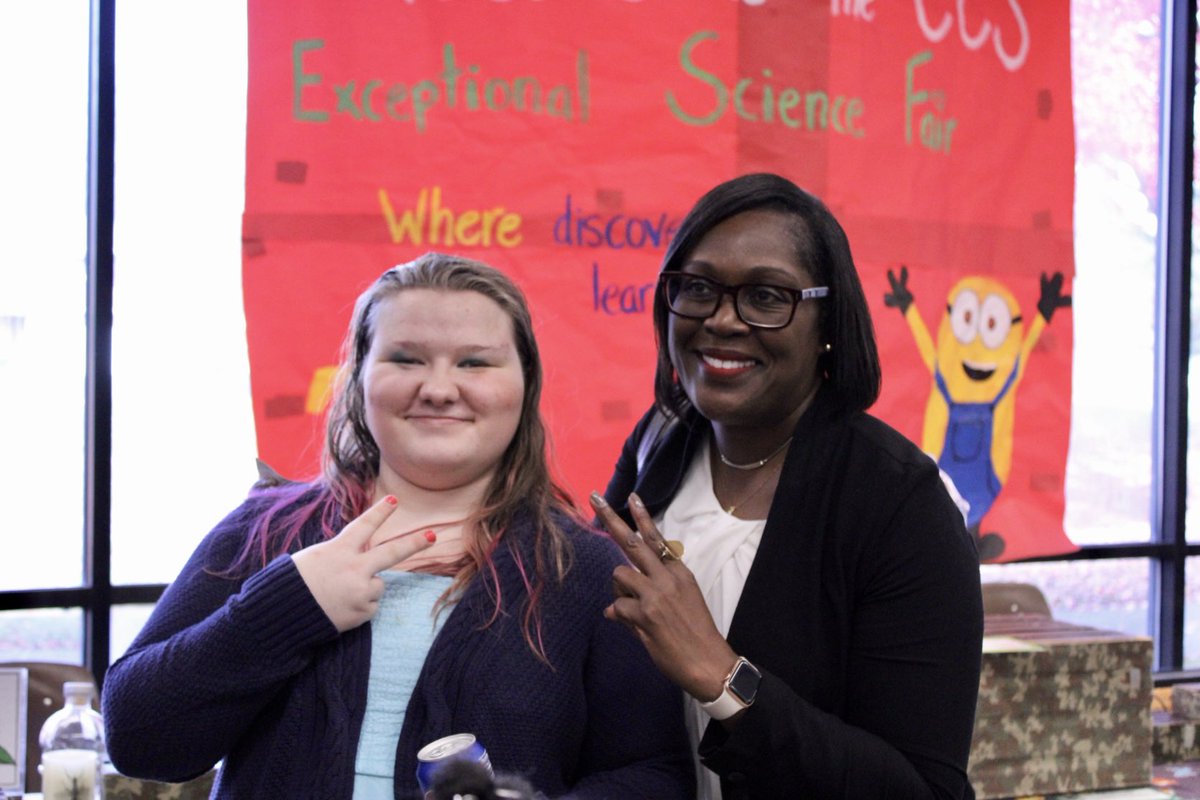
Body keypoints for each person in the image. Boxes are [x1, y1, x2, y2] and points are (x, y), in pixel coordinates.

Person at [102, 253, 694, 799]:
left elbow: (652, 775)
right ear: (360, 378)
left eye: (475, 362)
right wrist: (288, 605)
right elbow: (138, 739)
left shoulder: (587, 571)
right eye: (405, 359)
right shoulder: (265, 534)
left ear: (524, 384)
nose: (438, 389)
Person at [591, 173, 983, 799]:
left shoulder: (900, 504)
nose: (721, 320)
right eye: (696, 288)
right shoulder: (660, 441)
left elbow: (922, 791)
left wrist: (722, 677)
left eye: (767, 297)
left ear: (828, 321)